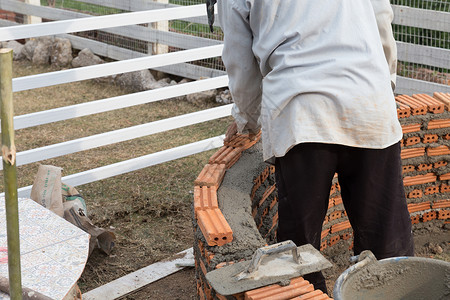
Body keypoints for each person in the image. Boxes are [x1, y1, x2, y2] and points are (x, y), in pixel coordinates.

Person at [216, 0, 414, 294]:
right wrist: (385, 84)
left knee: (299, 249)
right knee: (386, 241)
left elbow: (239, 57)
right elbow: (382, 19)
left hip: (301, 111)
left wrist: (247, 120)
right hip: (368, 100)